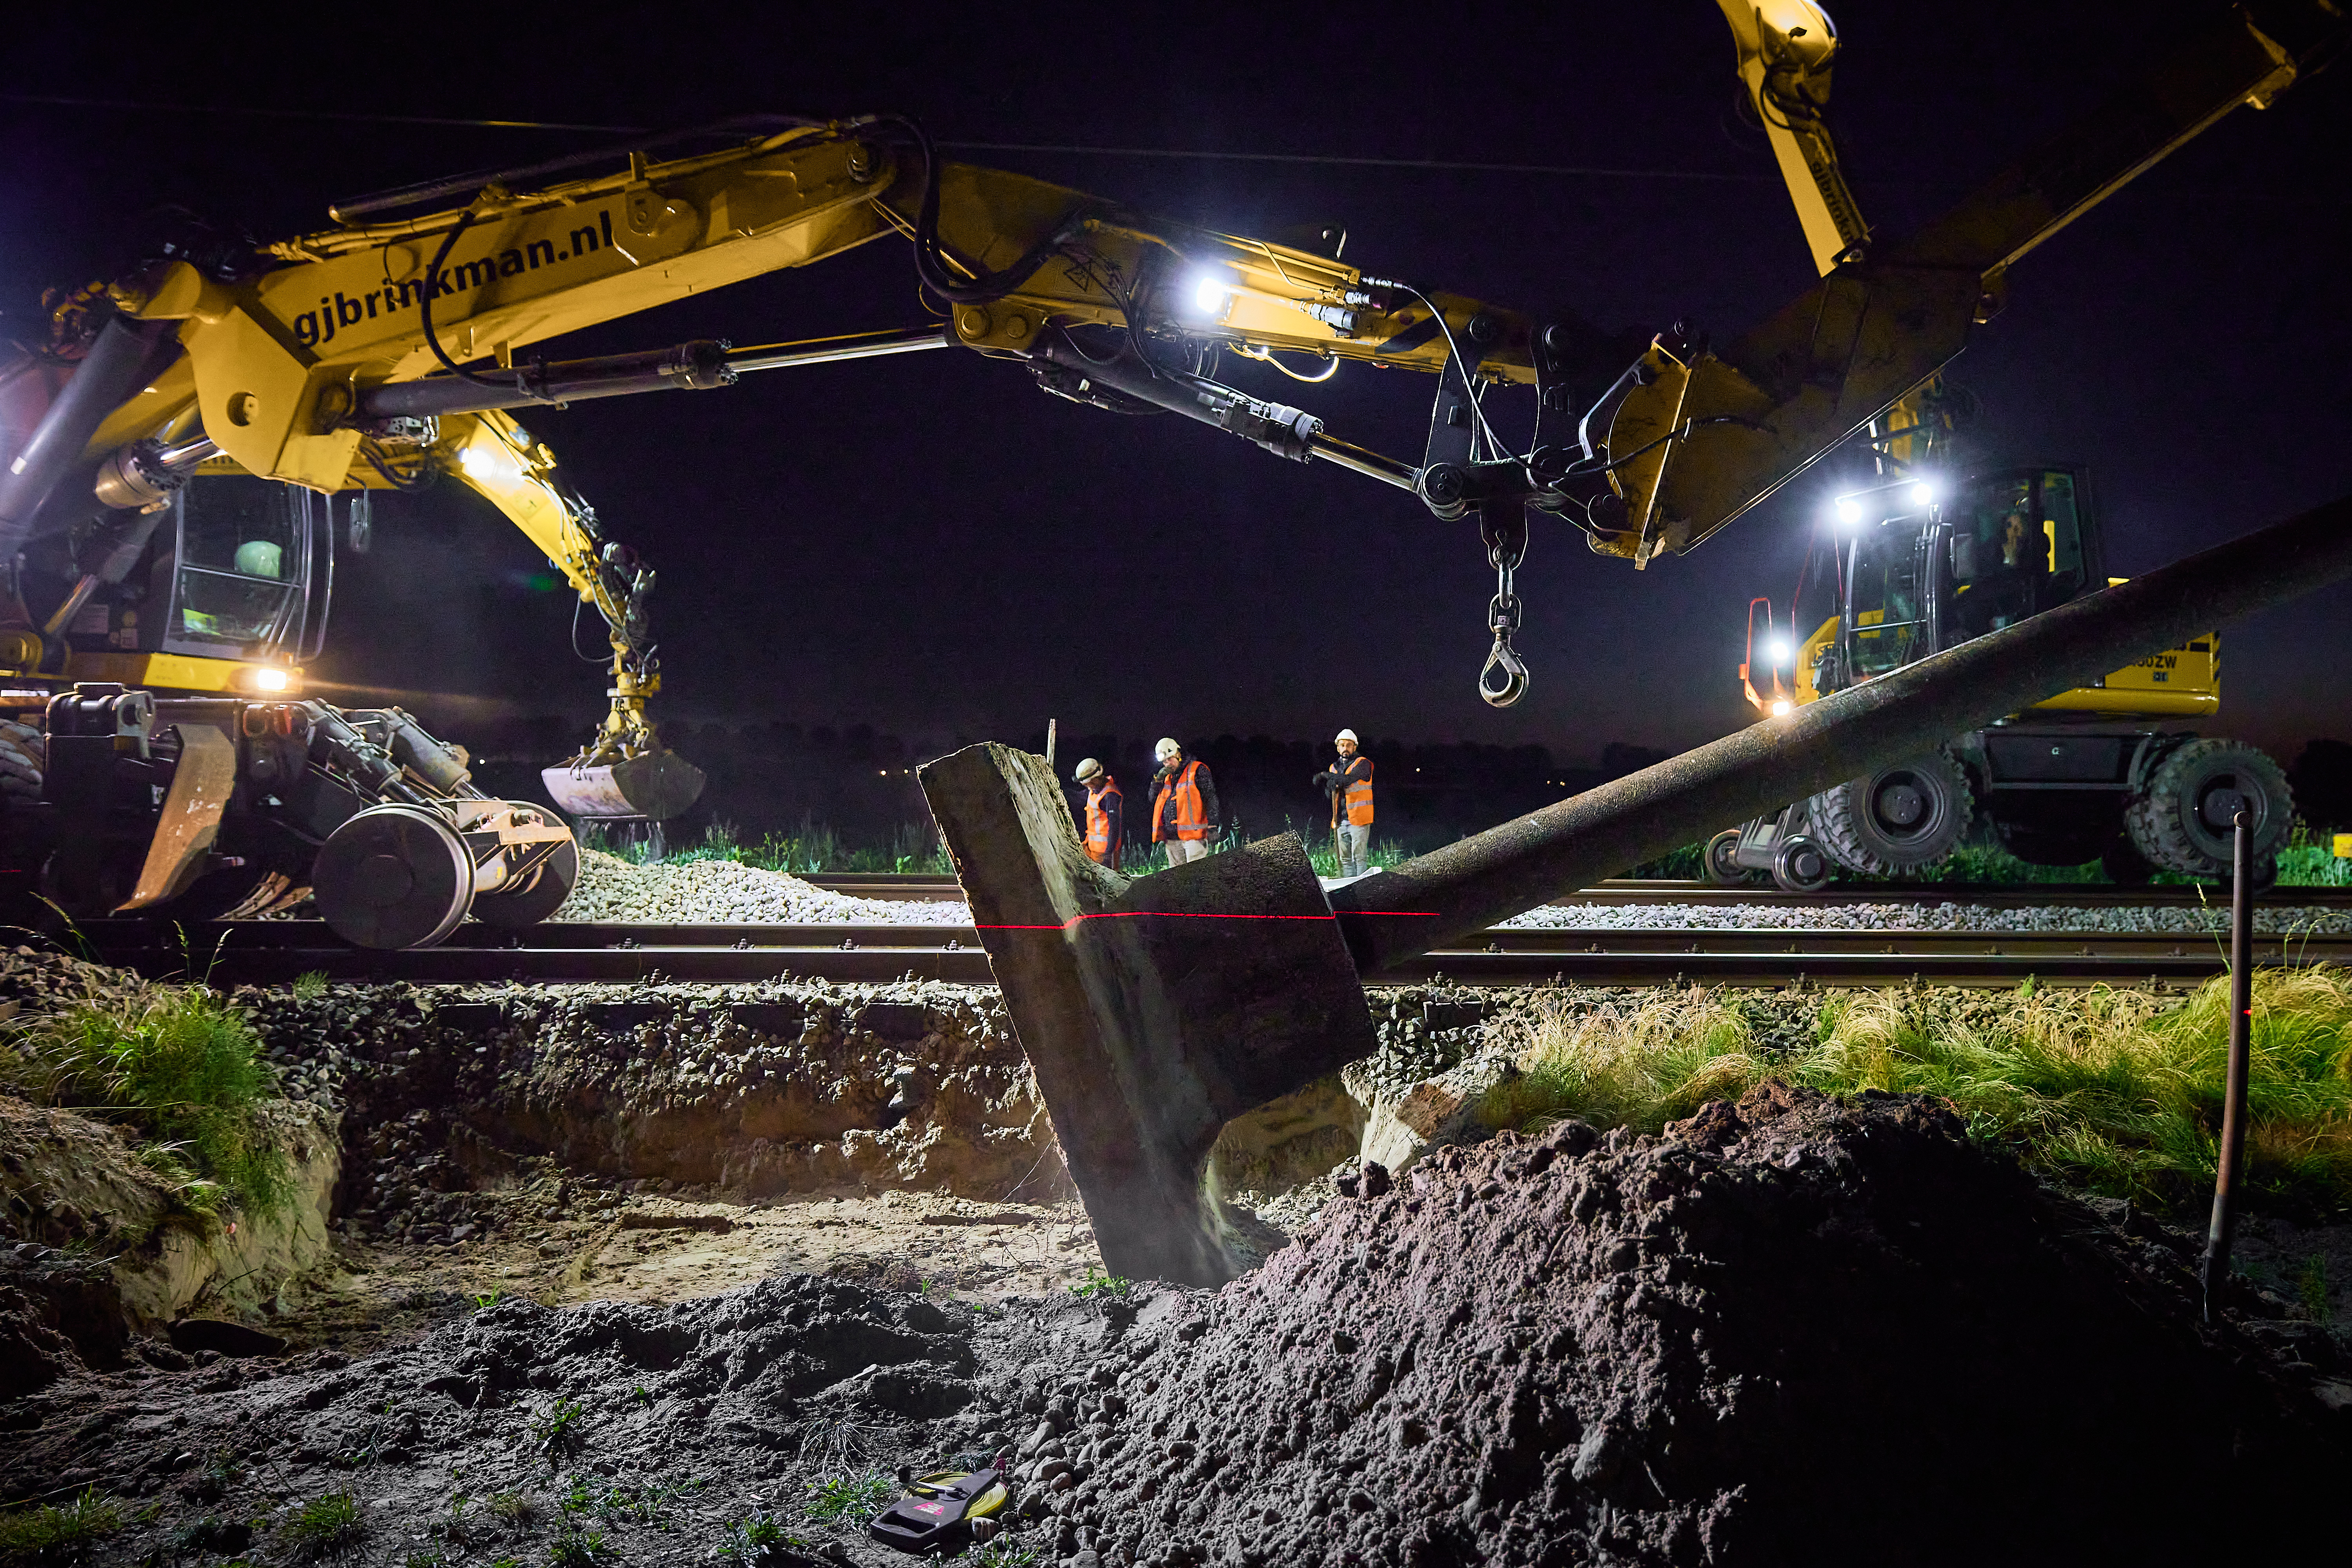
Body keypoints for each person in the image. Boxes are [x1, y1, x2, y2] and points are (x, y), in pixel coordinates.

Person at [1314, 728, 1375, 877]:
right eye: (1342, 745)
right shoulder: (1334, 767)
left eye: (1349, 745)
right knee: (1345, 860)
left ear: (1355, 747)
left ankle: (1362, 890)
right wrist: (1328, 786)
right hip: (1340, 819)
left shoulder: (1363, 764)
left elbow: (1347, 780)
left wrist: (1324, 775)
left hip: (1359, 819)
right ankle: (1350, 891)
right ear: (1338, 748)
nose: (1345, 748)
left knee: (1359, 858)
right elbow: (1332, 794)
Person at [1150, 737, 1220, 866]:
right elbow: (1152, 799)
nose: (1167, 764)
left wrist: (1213, 826)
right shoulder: (1166, 778)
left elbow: (1210, 797)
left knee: (1195, 877)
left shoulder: (1197, 770)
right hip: (1171, 838)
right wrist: (1157, 782)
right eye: (1164, 762)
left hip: (1194, 837)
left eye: (1169, 759)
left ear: (1178, 754)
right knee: (1177, 880)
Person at [1072, 756, 1123, 868]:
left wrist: (1109, 854)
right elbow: (1077, 798)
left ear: (1095, 780)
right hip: (1093, 850)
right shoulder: (1094, 791)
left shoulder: (1110, 796)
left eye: (1087, 784)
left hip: (1106, 853)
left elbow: (1114, 827)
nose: (1086, 788)